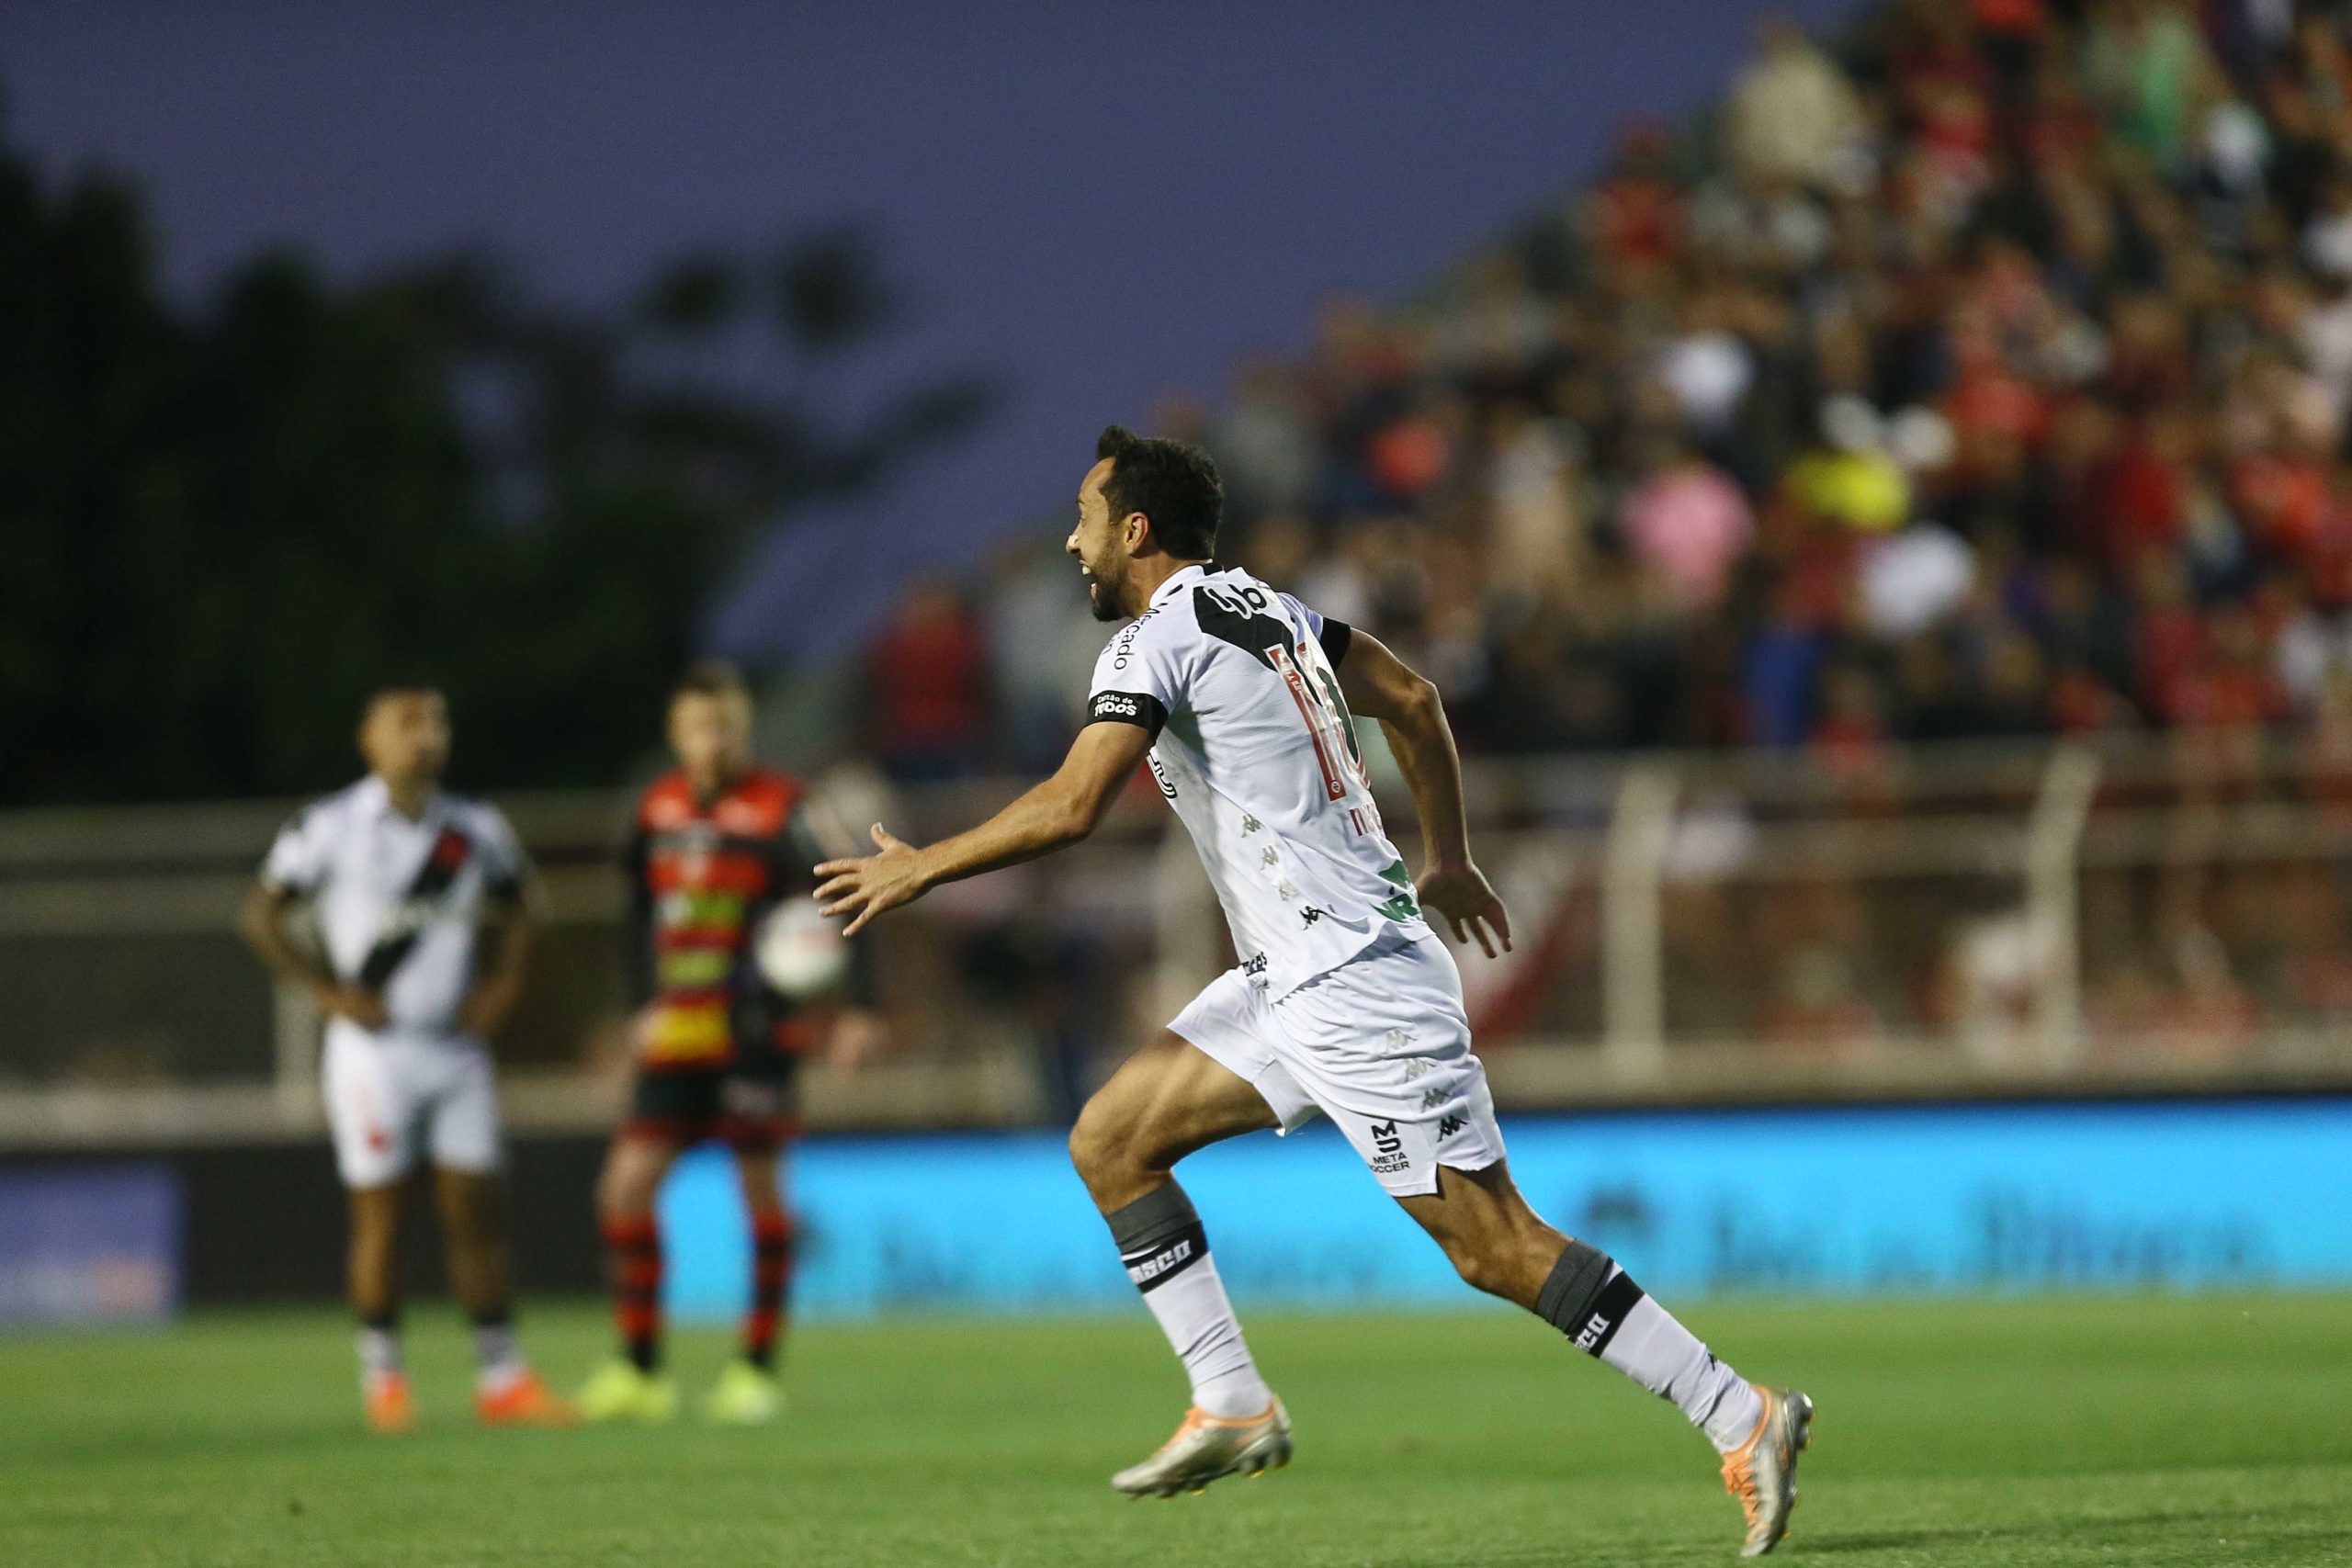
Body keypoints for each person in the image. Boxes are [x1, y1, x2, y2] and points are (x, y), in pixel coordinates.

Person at [815, 428, 1813, 1556]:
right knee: (1110, 1140)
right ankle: (1233, 1402)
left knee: (1493, 1247)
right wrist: (1442, 857)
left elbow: (1071, 805)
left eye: (1086, 519)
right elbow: (1415, 697)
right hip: (1290, 978)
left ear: (1134, 532)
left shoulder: (1149, 644)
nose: (1070, 541)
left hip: (1352, 988)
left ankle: (1743, 1414)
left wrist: (920, 868)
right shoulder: (1271, 610)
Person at [238, 686, 575, 1434]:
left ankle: (502, 1378)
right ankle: (384, 1377)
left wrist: (504, 986)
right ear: (369, 737)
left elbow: (525, 905)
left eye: (434, 722)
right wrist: (327, 993)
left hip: (455, 1052)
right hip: (374, 1054)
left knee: (476, 1215)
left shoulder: (473, 825)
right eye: (406, 723)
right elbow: (259, 915)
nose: (423, 736)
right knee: (383, 1217)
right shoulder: (331, 826)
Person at [577, 662, 884, 1425]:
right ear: (676, 734)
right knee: (623, 1188)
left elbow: (854, 887)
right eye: (698, 728)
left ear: (743, 730)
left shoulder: (785, 806)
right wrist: (634, 1008)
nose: (712, 742)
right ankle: (640, 1370)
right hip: (679, 1027)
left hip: (755, 1031)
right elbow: (634, 920)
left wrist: (857, 1008)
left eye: (725, 727)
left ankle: (754, 1370)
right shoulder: (656, 808)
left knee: (759, 1194)